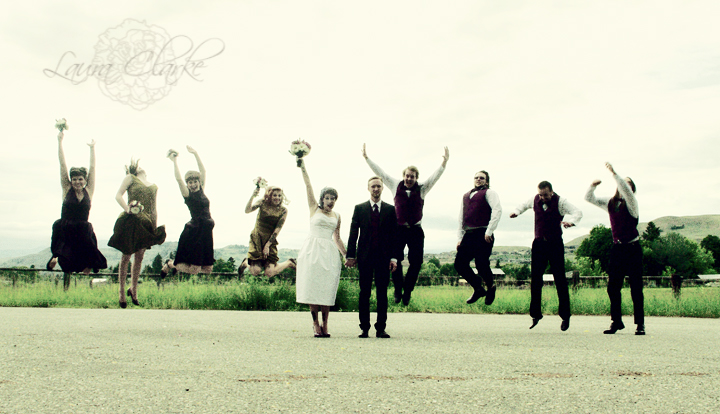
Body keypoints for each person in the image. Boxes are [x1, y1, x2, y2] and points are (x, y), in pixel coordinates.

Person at [362, 143, 449, 306]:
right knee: (395, 260)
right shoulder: (395, 185)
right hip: (398, 229)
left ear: (416, 178)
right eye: (407, 176)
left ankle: (407, 291)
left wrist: (444, 163)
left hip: (415, 230)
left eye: (412, 177)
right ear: (403, 176)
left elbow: (434, 178)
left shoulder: (422, 188)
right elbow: (381, 173)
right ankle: (398, 289)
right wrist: (367, 158)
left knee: (416, 263)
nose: (409, 179)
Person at [510, 181, 582, 331]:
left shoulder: (561, 202)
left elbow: (577, 212)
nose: (543, 198)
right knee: (536, 279)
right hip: (539, 244)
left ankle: (565, 316)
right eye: (541, 195)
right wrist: (516, 212)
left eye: (546, 195)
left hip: (555, 244)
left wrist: (572, 222)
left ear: (552, 192)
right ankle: (535, 314)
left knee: (560, 279)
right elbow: (523, 205)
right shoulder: (535, 199)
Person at [585, 162, 644, 335]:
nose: (624, 186)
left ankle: (640, 324)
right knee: (613, 288)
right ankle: (616, 321)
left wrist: (615, 174)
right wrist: (592, 186)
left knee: (636, 288)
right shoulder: (610, 202)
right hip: (617, 249)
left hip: (633, 249)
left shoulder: (632, 203)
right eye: (623, 183)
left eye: (628, 184)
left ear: (631, 189)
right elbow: (589, 198)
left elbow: (626, 191)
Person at [47, 129, 107, 290]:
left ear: (85, 180)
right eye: (74, 179)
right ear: (71, 180)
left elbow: (93, 168)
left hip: (81, 229)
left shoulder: (89, 190)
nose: (77, 182)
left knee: (88, 238)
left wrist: (92, 148)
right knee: (63, 248)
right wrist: (60, 141)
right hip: (66, 227)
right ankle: (55, 257)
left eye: (80, 179)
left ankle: (88, 264)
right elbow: (62, 164)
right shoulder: (67, 189)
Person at [295, 158, 347, 337]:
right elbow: (308, 185)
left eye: (333, 198)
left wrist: (346, 255)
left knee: (326, 288)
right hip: (312, 250)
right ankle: (315, 323)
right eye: (327, 198)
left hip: (329, 253)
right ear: (322, 199)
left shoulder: (337, 216)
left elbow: (337, 238)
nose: (330, 201)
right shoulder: (314, 209)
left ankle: (326, 324)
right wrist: (302, 166)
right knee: (313, 287)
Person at [108, 159, 166, 308]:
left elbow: (153, 207)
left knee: (139, 257)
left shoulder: (153, 185)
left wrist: (153, 226)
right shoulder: (130, 178)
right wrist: (128, 209)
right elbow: (118, 195)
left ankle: (134, 290)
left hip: (146, 223)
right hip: (132, 221)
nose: (141, 167)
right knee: (126, 255)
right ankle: (121, 292)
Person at [346, 176, 399, 338]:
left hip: (384, 258)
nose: (376, 189)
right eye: (373, 186)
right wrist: (350, 255)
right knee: (364, 293)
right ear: (368, 188)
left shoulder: (390, 210)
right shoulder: (359, 208)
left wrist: (394, 258)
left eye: (378, 186)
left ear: (382, 188)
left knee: (382, 293)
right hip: (365, 258)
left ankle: (381, 328)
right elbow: (353, 234)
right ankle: (364, 328)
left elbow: (395, 236)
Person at [161, 146, 215, 276]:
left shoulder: (201, 190)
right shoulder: (188, 195)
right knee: (194, 270)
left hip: (206, 233)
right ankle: (170, 264)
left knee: (208, 269)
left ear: (199, 182)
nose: (193, 184)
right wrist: (174, 161)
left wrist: (195, 153)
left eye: (195, 181)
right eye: (190, 182)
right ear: (188, 184)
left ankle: (172, 265)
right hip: (195, 232)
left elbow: (203, 171)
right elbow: (179, 180)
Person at [454, 170, 502, 305]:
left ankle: (491, 287)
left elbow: (497, 210)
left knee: (481, 264)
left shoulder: (489, 193)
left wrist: (489, 231)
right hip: (468, 234)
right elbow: (461, 217)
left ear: (487, 181)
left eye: (482, 178)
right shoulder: (466, 196)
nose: (478, 179)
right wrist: (460, 237)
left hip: (483, 233)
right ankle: (478, 288)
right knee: (459, 264)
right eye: (476, 177)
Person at [238, 183, 296, 278]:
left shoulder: (283, 210)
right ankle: (245, 262)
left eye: (279, 195)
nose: (277, 198)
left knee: (269, 273)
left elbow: (278, 229)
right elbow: (247, 210)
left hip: (270, 240)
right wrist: (253, 196)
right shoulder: (262, 203)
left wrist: (268, 245)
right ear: (269, 196)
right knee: (255, 271)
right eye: (274, 195)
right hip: (257, 238)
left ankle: (289, 263)